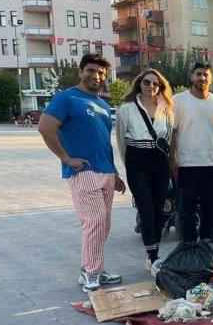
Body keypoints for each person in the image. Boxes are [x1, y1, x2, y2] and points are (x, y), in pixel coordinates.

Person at [38, 53, 126, 293]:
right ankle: (91, 272)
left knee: (103, 225)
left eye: (101, 73)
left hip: (105, 172)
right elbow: (45, 127)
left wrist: (115, 173)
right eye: (91, 71)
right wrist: (66, 158)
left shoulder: (103, 105)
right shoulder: (66, 98)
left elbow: (102, 142)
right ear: (81, 71)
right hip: (83, 171)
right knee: (94, 222)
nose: (96, 76)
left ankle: (93, 268)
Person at [115, 68, 174, 271]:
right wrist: (128, 164)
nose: (151, 86)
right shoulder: (126, 109)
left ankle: (154, 254)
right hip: (137, 159)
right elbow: (121, 139)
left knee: (159, 210)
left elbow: (169, 139)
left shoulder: (167, 109)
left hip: (159, 161)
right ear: (139, 83)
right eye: (147, 82)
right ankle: (153, 255)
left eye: (155, 83)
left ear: (160, 87)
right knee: (145, 209)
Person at [169, 62, 213, 244]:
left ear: (211, 79)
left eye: (205, 75)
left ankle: (207, 244)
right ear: (192, 77)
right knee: (185, 210)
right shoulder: (177, 101)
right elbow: (172, 132)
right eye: (198, 74)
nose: (202, 78)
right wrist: (172, 160)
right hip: (186, 165)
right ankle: (187, 246)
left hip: (212, 165)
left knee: (210, 209)